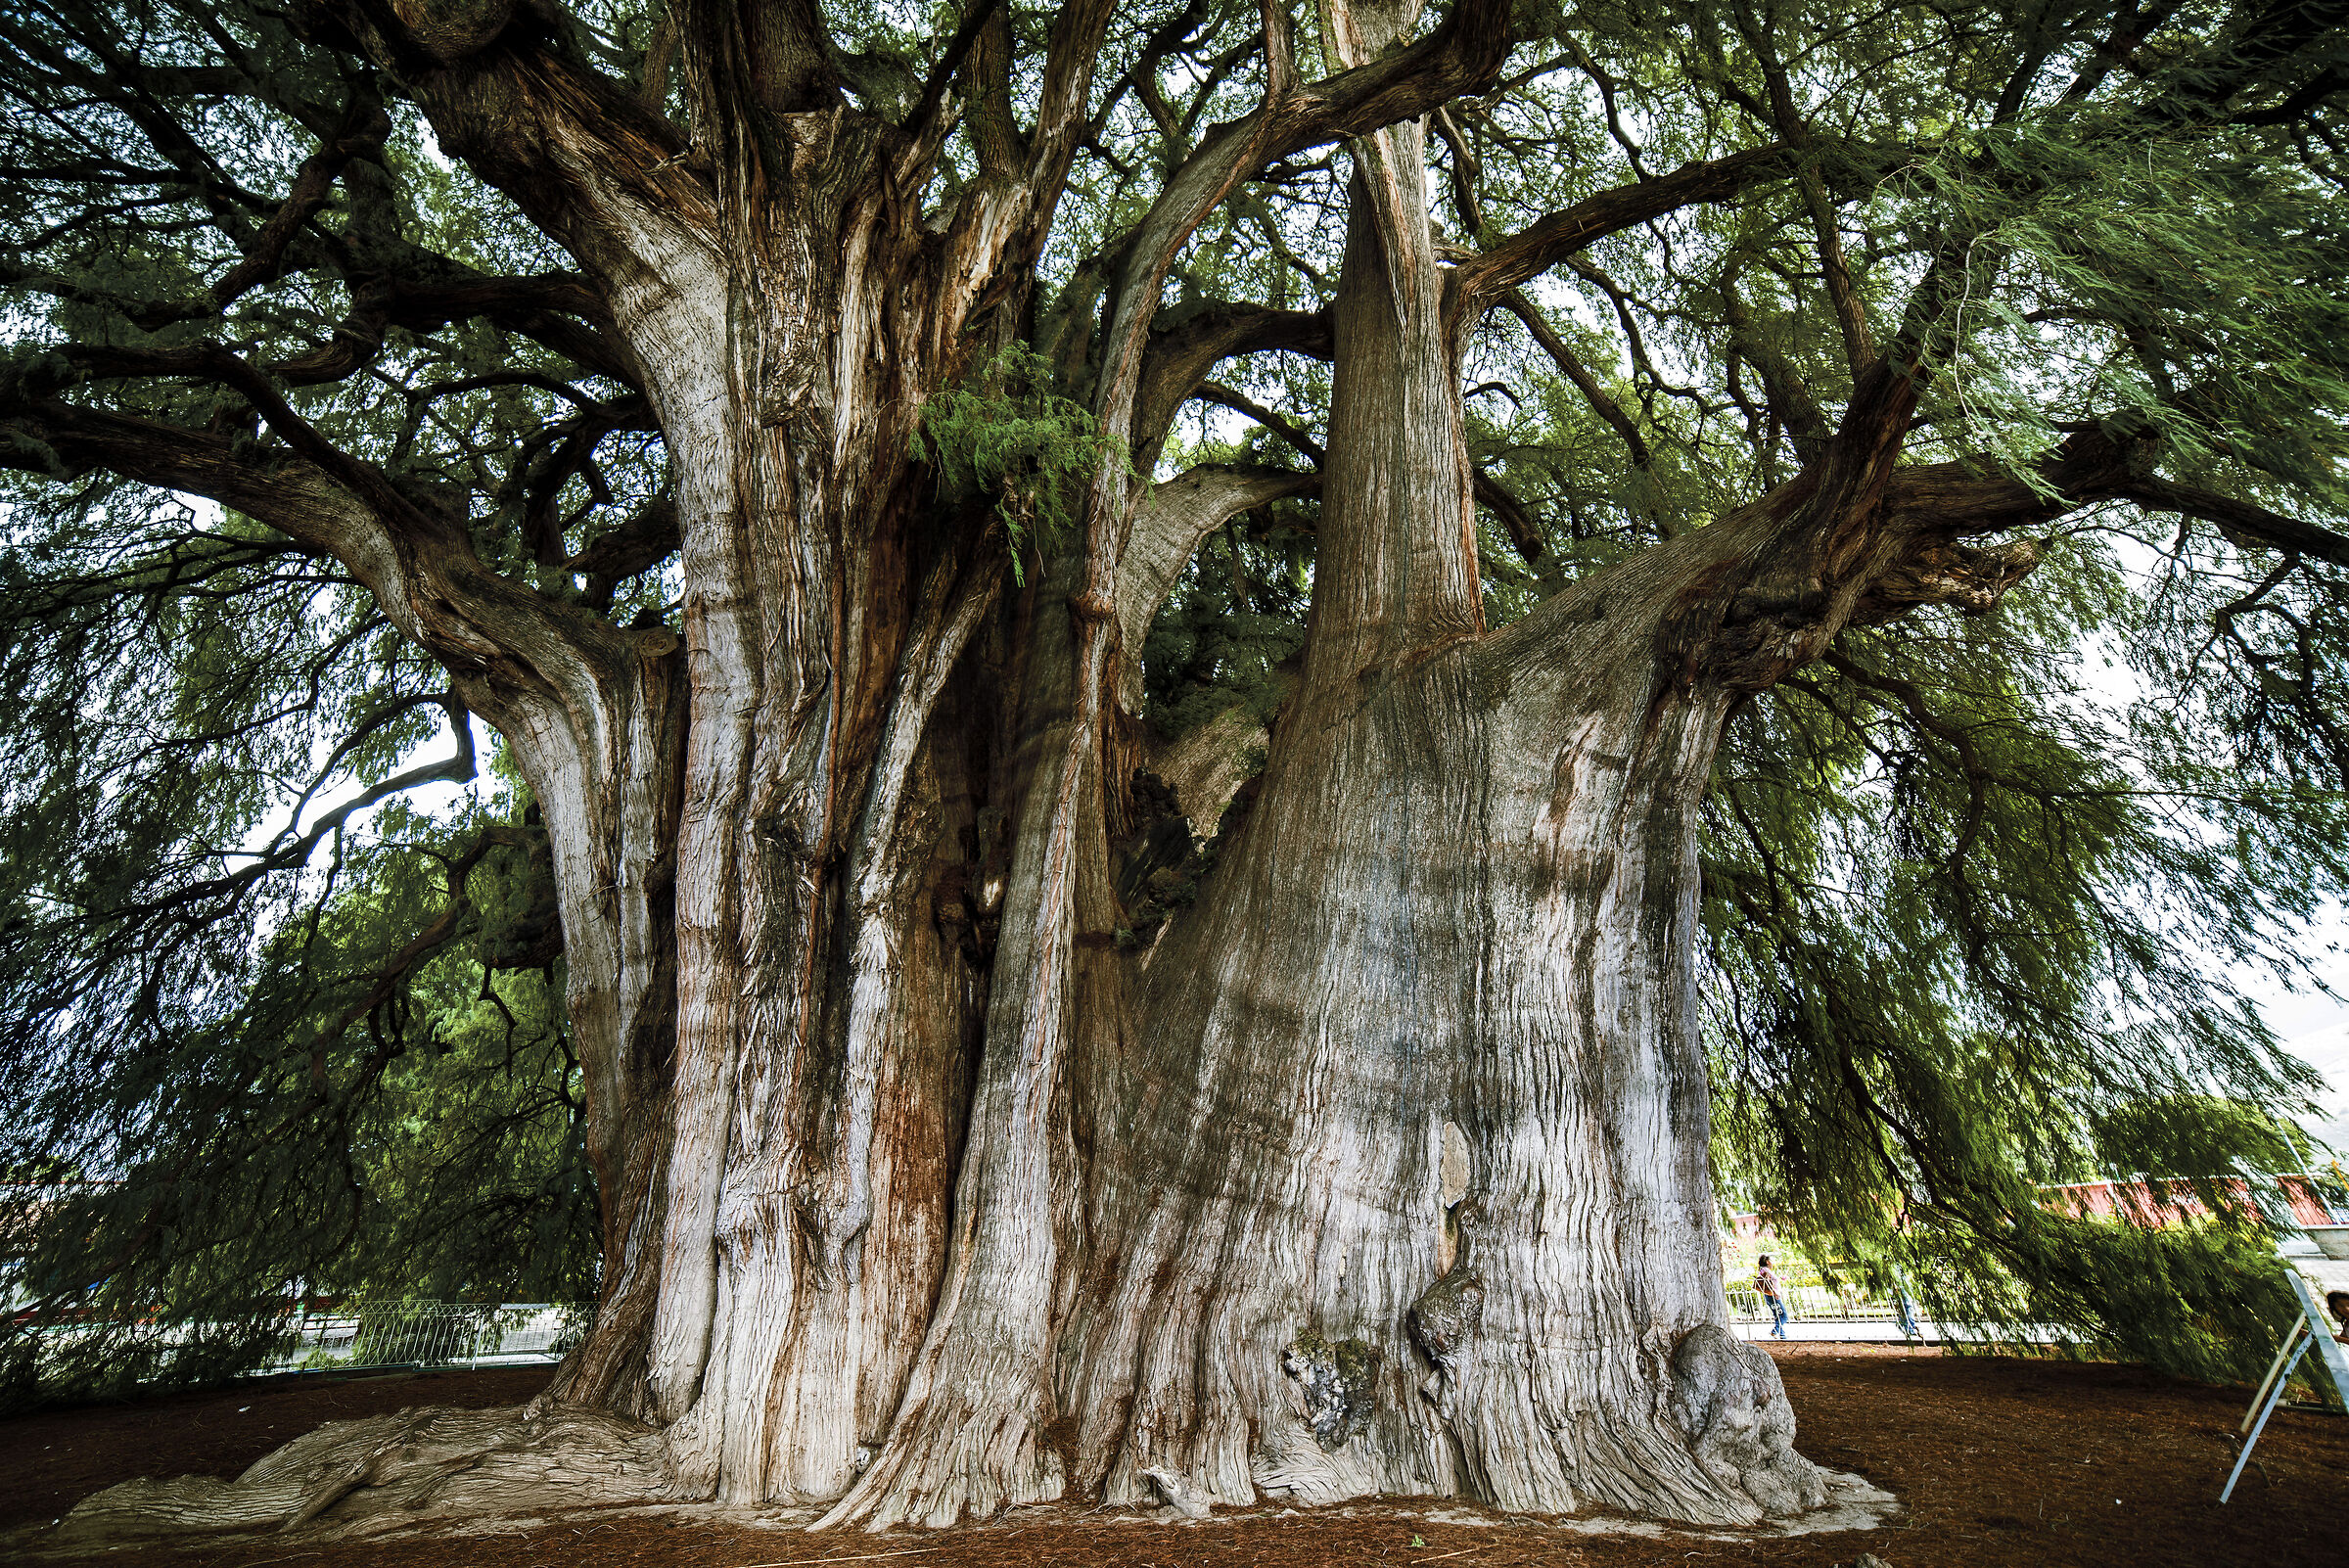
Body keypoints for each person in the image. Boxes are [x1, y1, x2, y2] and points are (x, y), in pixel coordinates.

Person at [1757, 1255, 1789, 1340]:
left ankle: (1782, 1334)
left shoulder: (1763, 1270)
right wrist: (1775, 1292)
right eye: (1771, 1260)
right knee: (1784, 1316)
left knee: (1777, 1316)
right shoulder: (1766, 1271)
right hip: (1773, 1295)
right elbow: (1768, 1283)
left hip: (1769, 1295)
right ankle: (1775, 1331)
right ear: (1767, 1262)